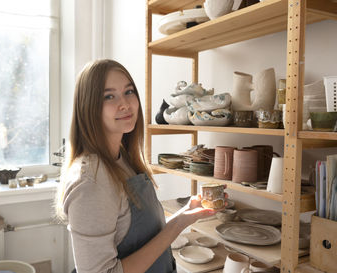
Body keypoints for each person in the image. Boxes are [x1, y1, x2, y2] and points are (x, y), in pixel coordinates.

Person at [56, 59, 222, 273]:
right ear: (88, 107)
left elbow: (139, 236)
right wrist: (178, 226)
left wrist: (184, 216)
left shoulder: (122, 157)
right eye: (109, 96)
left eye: (129, 91)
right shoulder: (90, 181)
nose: (125, 104)